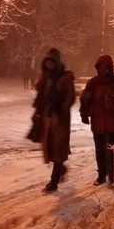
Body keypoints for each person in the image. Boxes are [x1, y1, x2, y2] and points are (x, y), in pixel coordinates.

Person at [80, 55, 114, 186]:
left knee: (108, 150)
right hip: (97, 121)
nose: (103, 70)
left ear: (110, 68)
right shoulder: (93, 83)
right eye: (101, 67)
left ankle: (111, 175)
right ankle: (101, 175)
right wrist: (84, 113)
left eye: (105, 67)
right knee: (99, 150)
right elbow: (85, 99)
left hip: (111, 122)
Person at [32, 48, 76, 193]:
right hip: (47, 117)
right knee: (49, 149)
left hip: (60, 119)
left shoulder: (65, 77)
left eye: (52, 62)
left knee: (58, 150)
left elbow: (71, 97)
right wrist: (38, 112)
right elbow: (40, 98)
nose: (49, 65)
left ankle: (54, 182)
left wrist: (61, 109)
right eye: (47, 62)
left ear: (57, 63)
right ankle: (61, 168)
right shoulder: (45, 78)